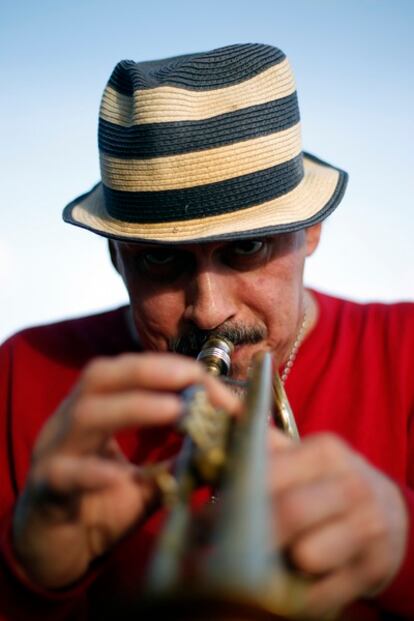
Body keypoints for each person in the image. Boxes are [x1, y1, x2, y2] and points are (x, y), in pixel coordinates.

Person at [0, 43, 413, 620]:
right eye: (159, 262)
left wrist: (405, 550)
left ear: (312, 231)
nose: (209, 311)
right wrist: (32, 575)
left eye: (247, 248)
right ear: (116, 257)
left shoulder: (406, 347)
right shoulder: (22, 372)